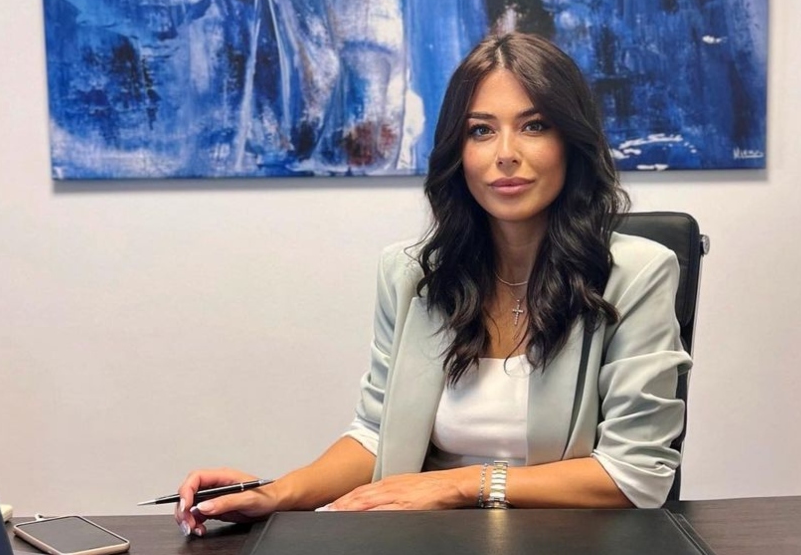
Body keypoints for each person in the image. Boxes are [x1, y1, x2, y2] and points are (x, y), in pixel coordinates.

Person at [175, 32, 691, 537]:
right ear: (457, 151)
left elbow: (634, 475)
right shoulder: (411, 275)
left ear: (571, 143)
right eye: (481, 131)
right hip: (424, 538)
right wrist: (276, 493)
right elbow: (376, 434)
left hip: (567, 541)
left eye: (534, 126)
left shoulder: (637, 274)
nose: (505, 153)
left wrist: (459, 486)